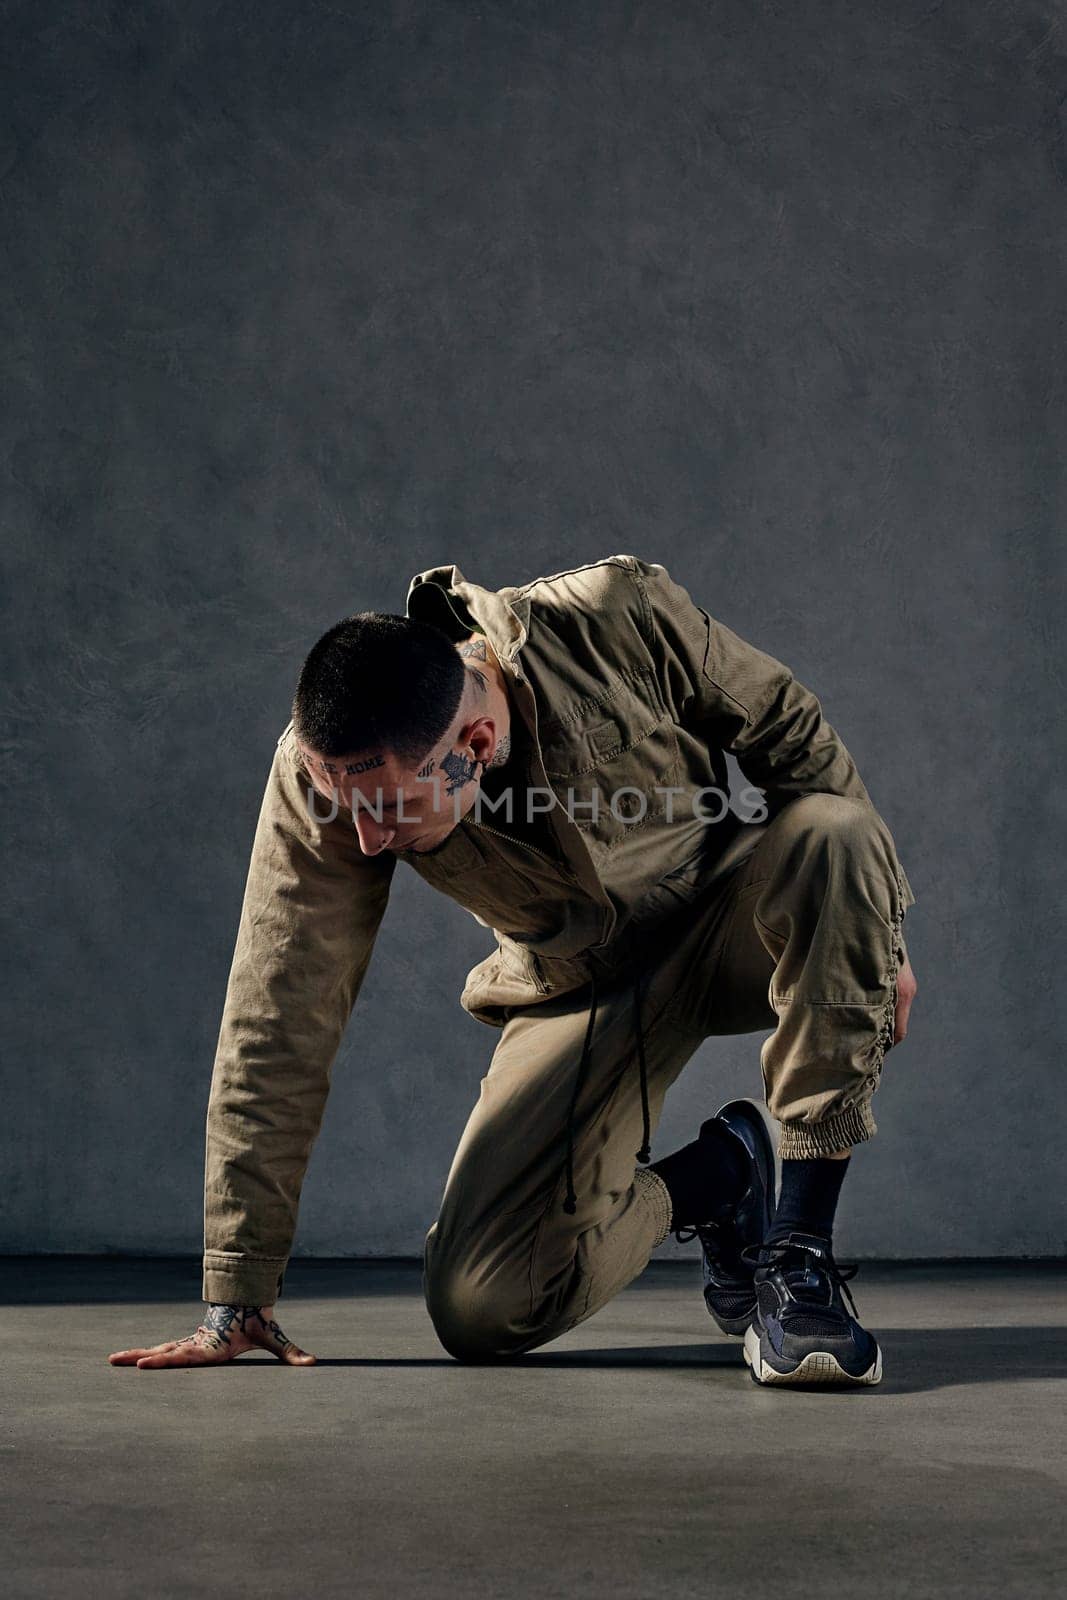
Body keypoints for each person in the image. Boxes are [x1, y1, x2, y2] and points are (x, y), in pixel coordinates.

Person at [109, 554, 917, 1386]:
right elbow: (280, 1009)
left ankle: (798, 1263)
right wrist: (238, 1292)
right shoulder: (329, 776)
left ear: (477, 742)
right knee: (483, 1308)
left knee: (834, 833)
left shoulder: (612, 617)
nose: (363, 840)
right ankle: (719, 1175)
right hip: (580, 989)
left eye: (388, 811)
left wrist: (875, 929)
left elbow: (784, 721)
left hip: (734, 920)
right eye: (343, 810)